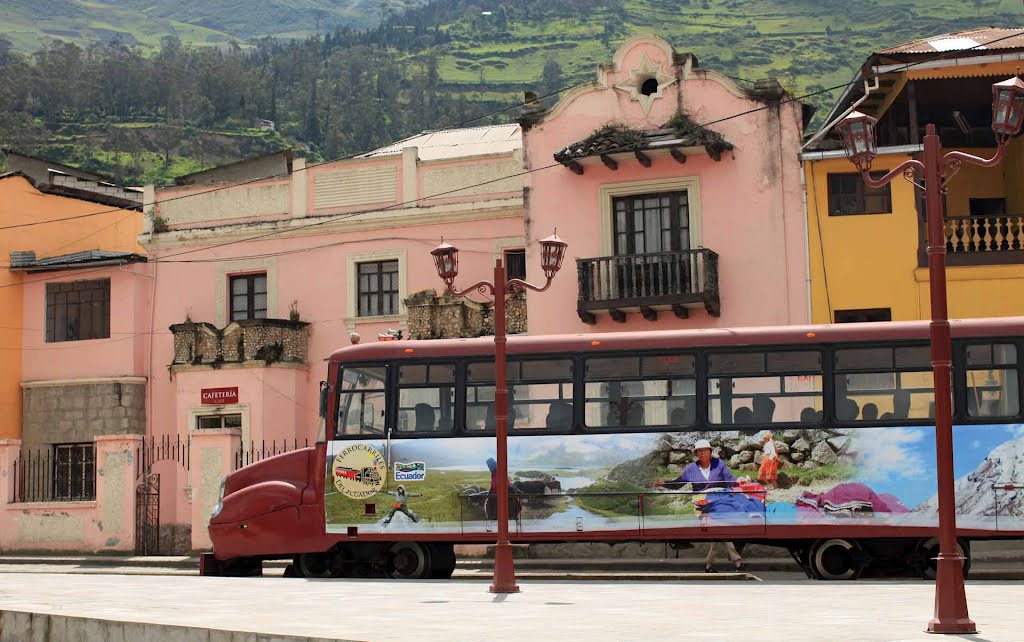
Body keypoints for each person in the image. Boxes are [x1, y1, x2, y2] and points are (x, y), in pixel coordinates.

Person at [654, 439, 743, 572]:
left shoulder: (719, 464)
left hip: (720, 502)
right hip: (703, 504)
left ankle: (711, 565)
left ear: (710, 452)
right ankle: (735, 562)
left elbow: (730, 479)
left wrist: (740, 481)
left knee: (718, 531)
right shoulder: (691, 468)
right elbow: (678, 483)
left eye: (705, 450)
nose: (702, 454)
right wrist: (664, 483)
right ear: (696, 454)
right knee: (720, 530)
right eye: (699, 451)